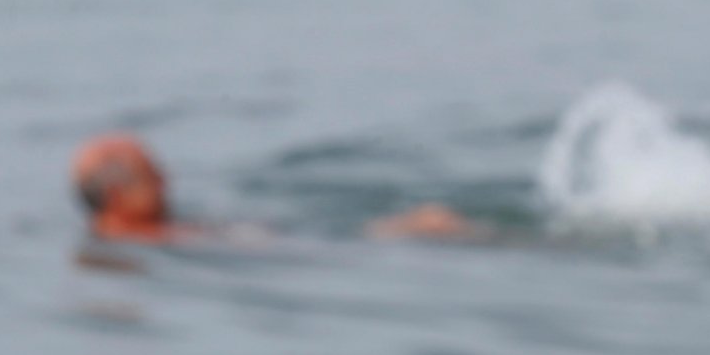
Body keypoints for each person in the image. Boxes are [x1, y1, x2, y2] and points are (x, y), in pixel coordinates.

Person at [71, 133, 484, 244]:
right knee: (432, 224)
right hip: (317, 246)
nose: (167, 182)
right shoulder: (146, 241)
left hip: (294, 236)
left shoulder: (146, 235)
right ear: (115, 197)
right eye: (152, 176)